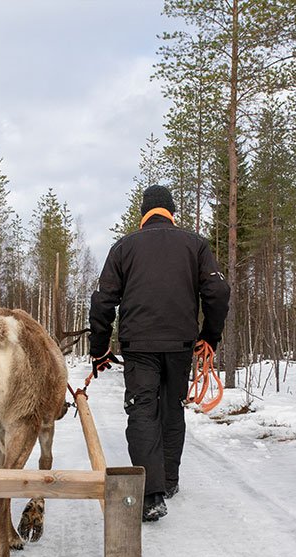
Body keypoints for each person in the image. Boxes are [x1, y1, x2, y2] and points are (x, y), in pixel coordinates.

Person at [89, 185, 230, 522]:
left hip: (139, 346)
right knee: (171, 409)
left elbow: (102, 300)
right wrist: (210, 335)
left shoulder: (124, 247)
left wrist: (99, 349)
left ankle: (151, 495)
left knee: (142, 411)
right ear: (171, 212)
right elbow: (218, 290)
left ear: (143, 214)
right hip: (181, 344)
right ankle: (168, 481)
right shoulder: (195, 244)